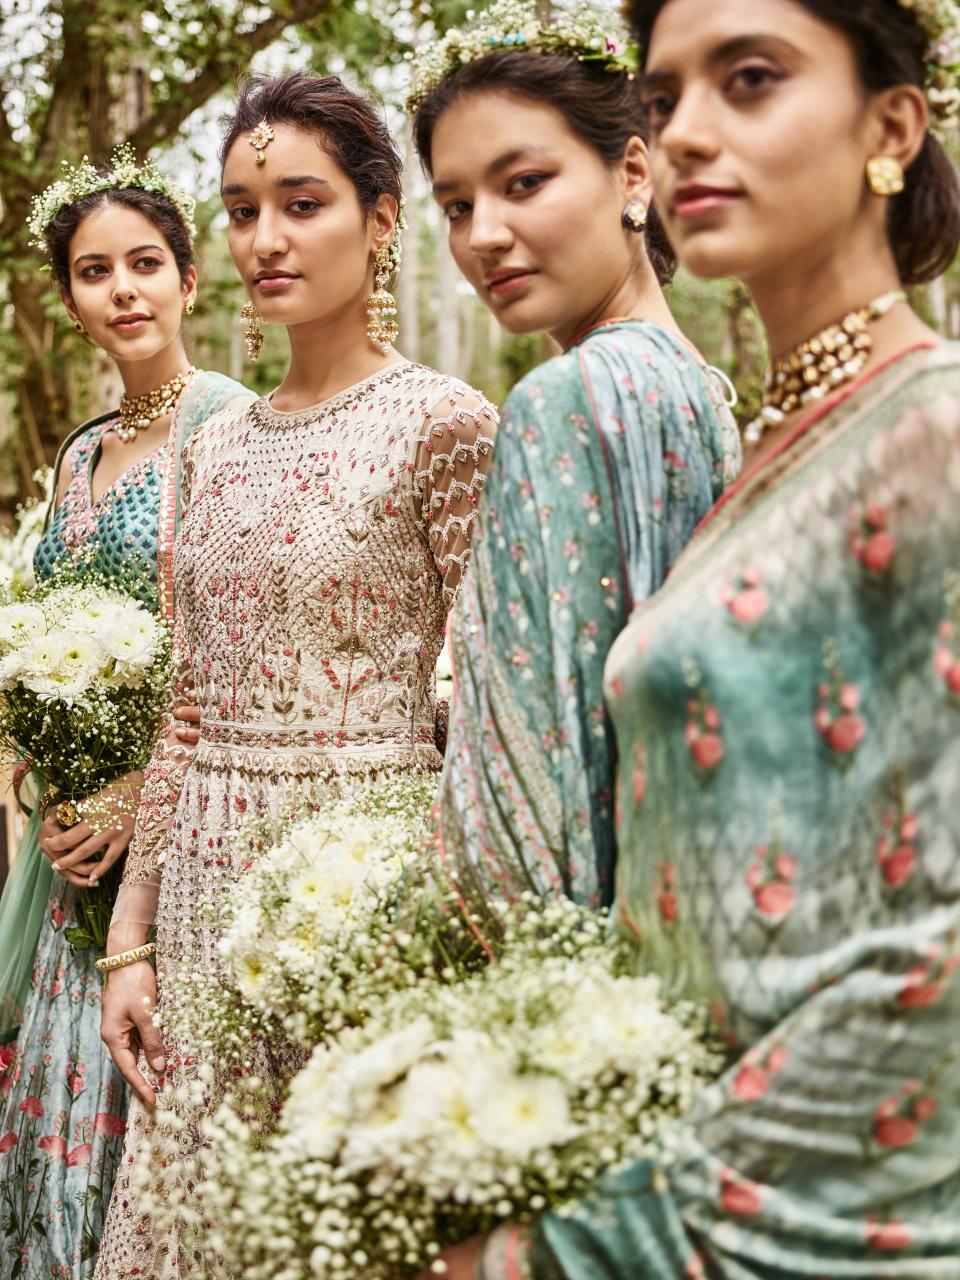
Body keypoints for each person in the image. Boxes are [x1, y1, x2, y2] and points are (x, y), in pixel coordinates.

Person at [427, 0, 960, 1275]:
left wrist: (596, 1234)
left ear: (891, 127)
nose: (690, 137)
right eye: (665, 103)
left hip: (795, 1216)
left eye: (754, 80)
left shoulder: (929, 436)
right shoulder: (762, 436)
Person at [93, 72, 497, 1279]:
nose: (265, 239)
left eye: (302, 203)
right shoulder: (211, 445)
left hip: (361, 884)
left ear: (381, 219)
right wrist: (132, 940)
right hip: (208, 879)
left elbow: (482, 699)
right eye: (241, 207)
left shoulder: (446, 422)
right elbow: (185, 703)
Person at [408, 0, 740, 919]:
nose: (482, 236)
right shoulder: (697, 387)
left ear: (634, 172)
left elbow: (541, 766)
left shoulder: (565, 400)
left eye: (524, 183)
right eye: (457, 204)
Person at [0, 151, 253, 1280]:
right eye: (95, 271)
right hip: (71, 837)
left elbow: (243, 644)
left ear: (191, 278)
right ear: (69, 300)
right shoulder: (80, 453)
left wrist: (135, 790)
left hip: (176, 821)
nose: (124, 290)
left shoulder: (233, 426)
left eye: (146, 262)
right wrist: (39, 744)